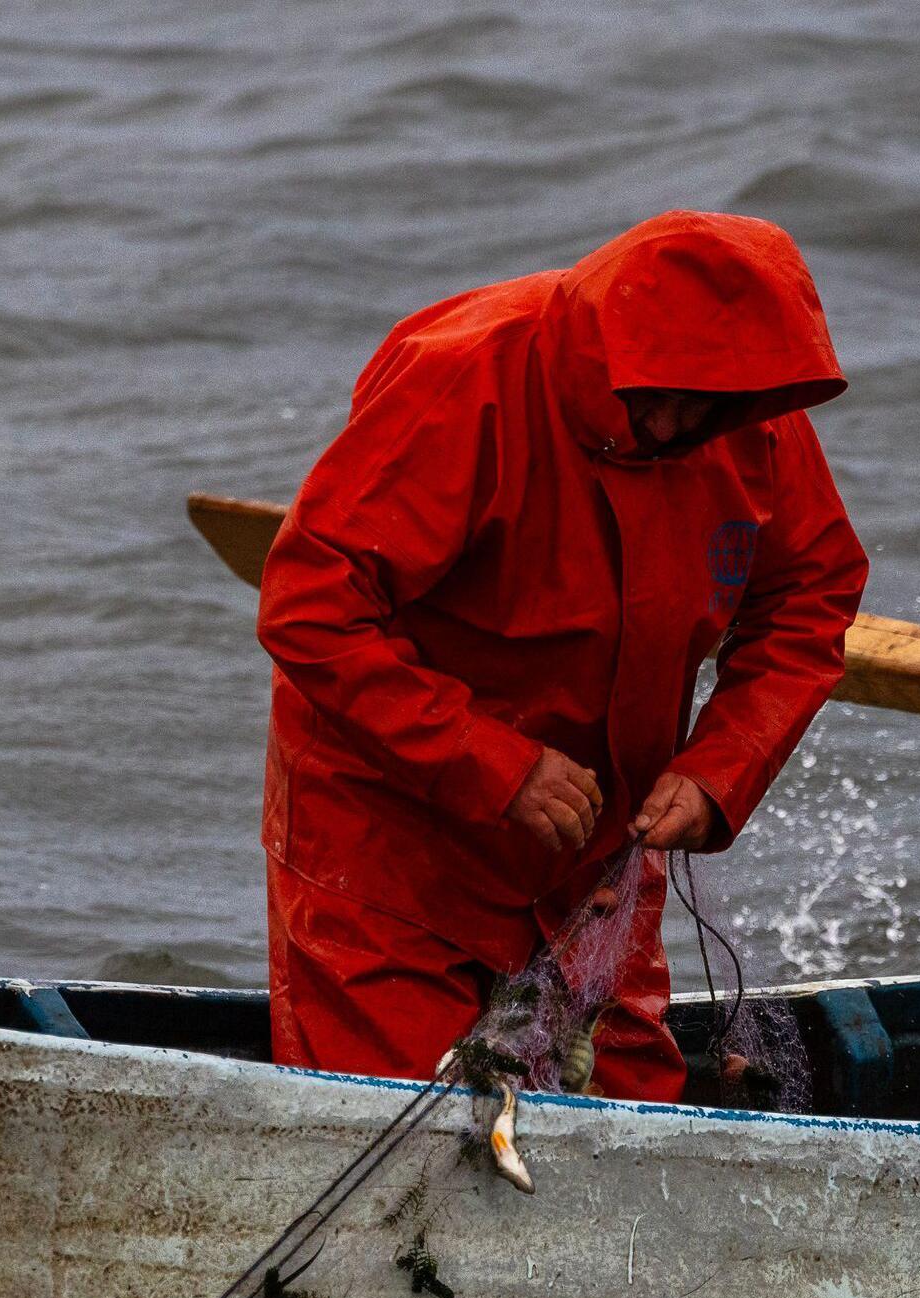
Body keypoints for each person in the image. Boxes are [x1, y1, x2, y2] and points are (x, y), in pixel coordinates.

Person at [256, 210, 868, 1097]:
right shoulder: (466, 378)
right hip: (391, 857)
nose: (676, 419)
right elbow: (310, 604)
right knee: (397, 1145)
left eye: (707, 404)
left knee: (630, 1126)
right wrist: (495, 768)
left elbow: (811, 597)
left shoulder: (750, 417)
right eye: (656, 392)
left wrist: (718, 773)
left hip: (598, 870)